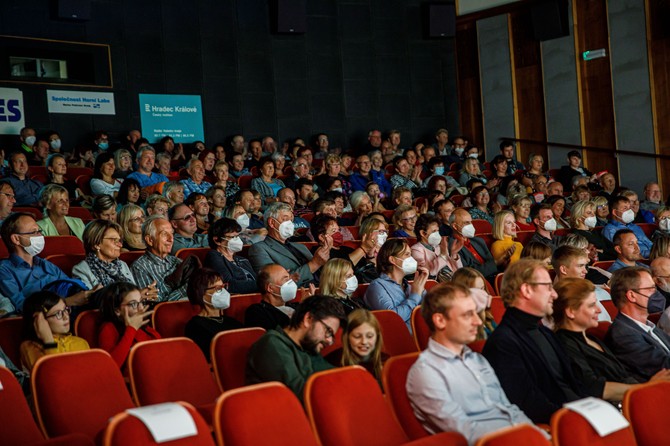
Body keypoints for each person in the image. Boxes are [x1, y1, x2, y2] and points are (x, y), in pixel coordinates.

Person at [406, 283, 539, 444]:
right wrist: (519, 437)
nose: (478, 321)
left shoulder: (477, 360)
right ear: (440, 320)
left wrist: (539, 436)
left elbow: (509, 409)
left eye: (476, 313)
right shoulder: (426, 372)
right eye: (468, 315)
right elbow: (463, 430)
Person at [482, 259, 586, 424]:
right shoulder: (503, 343)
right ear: (527, 290)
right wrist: (574, 418)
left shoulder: (545, 332)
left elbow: (571, 383)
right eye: (548, 287)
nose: (555, 294)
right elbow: (528, 403)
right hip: (560, 425)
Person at [553, 278, 670, 402]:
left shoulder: (592, 339)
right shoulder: (565, 344)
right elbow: (595, 388)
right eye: (592, 305)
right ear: (571, 312)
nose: (599, 310)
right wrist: (646, 388)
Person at [246, 295, 346, 402]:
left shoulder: (308, 346)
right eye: (328, 331)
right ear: (308, 319)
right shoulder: (272, 345)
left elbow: (334, 376)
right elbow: (299, 396)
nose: (329, 341)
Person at [605, 266, 670, 381]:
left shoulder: (649, 327)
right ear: (632, 295)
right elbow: (664, 368)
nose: (657, 293)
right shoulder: (622, 334)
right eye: (651, 288)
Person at [71, 220, 158, 299]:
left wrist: (144, 294)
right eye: (113, 240)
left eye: (119, 240)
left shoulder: (122, 265)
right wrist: (137, 296)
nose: (120, 245)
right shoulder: (81, 270)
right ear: (96, 244)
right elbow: (93, 302)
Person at [248, 202, 329, 287]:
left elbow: (321, 270)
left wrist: (326, 250)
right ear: (272, 222)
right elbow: (273, 283)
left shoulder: (301, 246)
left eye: (291, 220)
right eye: (285, 219)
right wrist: (314, 264)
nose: (290, 223)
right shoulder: (259, 249)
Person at [364, 239, 429, 331]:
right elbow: (393, 318)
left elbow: (430, 310)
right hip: (397, 340)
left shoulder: (410, 286)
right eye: (407, 255)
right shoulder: (377, 286)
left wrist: (422, 288)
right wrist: (415, 295)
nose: (412, 259)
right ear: (392, 260)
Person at [19, 290, 90, 371]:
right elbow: (55, 375)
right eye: (58, 313)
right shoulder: (29, 347)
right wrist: (48, 341)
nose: (66, 317)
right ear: (40, 320)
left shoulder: (80, 343)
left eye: (65, 309)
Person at [97, 282, 161, 369]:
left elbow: (160, 351)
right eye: (133, 304)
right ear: (117, 310)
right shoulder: (109, 328)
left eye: (141, 302)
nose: (141, 308)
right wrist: (131, 329)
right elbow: (112, 366)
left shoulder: (145, 327)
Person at [184, 268, 243, 360]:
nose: (224, 292)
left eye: (224, 287)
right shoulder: (195, 326)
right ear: (202, 293)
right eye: (218, 288)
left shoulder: (231, 321)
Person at [131, 216, 192, 301]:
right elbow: (156, 304)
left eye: (171, 234)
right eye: (164, 234)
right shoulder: (140, 268)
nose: (171, 239)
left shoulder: (177, 261)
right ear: (150, 240)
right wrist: (188, 288)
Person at [551, 246, 611, 322]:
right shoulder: (553, 300)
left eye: (585, 266)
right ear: (563, 269)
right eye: (580, 266)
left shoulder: (600, 291)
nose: (585, 271)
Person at [204, 218, 258, 294]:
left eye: (237, 236)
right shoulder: (213, 256)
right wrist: (263, 284)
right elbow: (230, 285)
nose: (237, 240)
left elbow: (255, 279)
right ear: (217, 240)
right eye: (232, 237)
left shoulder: (242, 260)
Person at [331, 309, 385, 384]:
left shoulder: (385, 361)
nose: (364, 342)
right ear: (347, 337)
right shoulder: (334, 362)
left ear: (377, 337)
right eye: (357, 336)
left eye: (369, 336)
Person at [448, 208, 499, 282]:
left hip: (494, 276)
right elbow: (469, 273)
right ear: (455, 226)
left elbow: (490, 261)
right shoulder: (452, 246)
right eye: (467, 223)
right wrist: (496, 263)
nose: (471, 225)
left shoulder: (479, 241)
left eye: (471, 222)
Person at [245, 264, 299, 330]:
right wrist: (303, 310)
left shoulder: (295, 306)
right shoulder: (257, 312)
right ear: (270, 288)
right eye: (285, 280)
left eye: (290, 279)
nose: (291, 283)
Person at [451, 268, 497, 340]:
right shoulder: (463, 326)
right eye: (476, 291)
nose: (483, 294)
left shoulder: (487, 314)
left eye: (482, 288)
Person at [411, 214, 461, 280]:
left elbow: (459, 269)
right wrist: (442, 255)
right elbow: (430, 274)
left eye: (438, 231)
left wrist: (454, 254)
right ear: (423, 233)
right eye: (434, 231)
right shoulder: (416, 250)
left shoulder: (438, 247)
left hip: (455, 281)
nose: (437, 234)